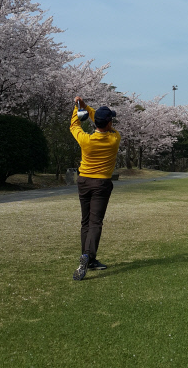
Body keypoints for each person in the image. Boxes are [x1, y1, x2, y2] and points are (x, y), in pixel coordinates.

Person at [70, 96, 121, 281]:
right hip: (101, 184)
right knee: (95, 222)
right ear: (108, 123)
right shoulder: (114, 139)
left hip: (83, 181)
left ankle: (88, 258)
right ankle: (88, 256)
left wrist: (78, 109)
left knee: (85, 222)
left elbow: (74, 126)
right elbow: (100, 120)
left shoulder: (86, 140)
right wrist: (87, 108)